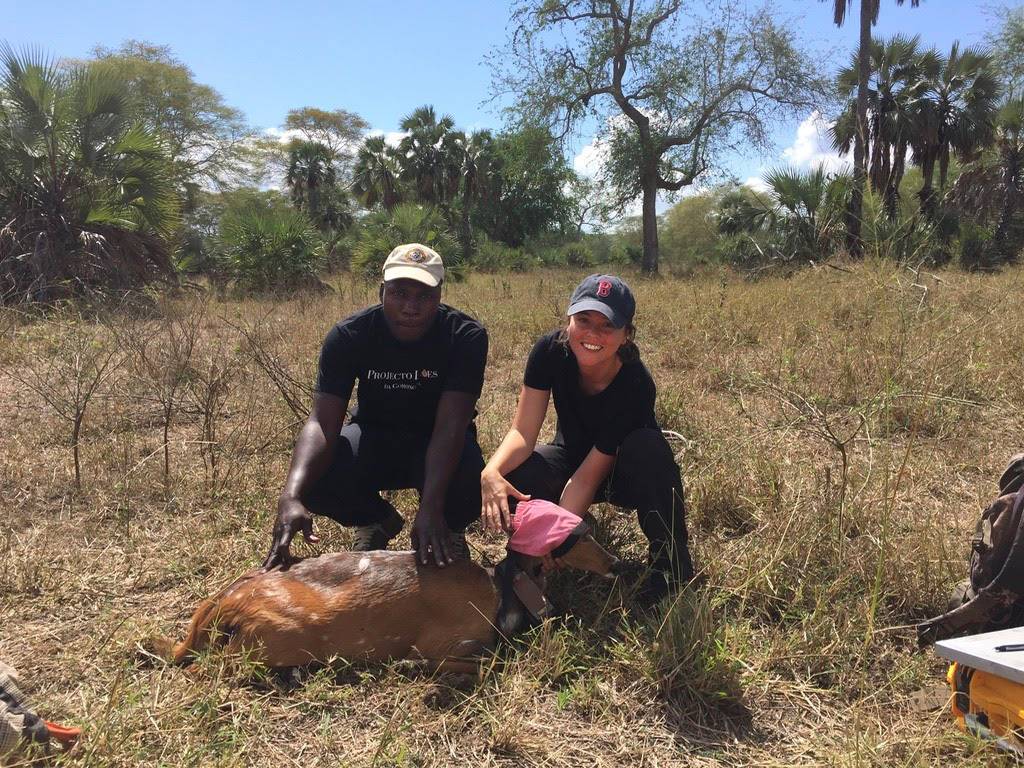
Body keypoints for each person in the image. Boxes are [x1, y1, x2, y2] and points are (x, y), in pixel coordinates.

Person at [263, 243, 488, 570]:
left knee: (470, 479)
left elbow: (451, 425)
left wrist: (431, 508)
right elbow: (322, 423)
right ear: (382, 291)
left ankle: (448, 529)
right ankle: (376, 520)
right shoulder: (349, 335)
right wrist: (291, 495)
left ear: (440, 296)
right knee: (316, 476)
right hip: (375, 436)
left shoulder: (465, 336)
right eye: (399, 293)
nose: (411, 307)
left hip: (438, 440)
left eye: (424, 296)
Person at [480, 274, 694, 603]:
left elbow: (588, 477)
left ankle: (670, 566)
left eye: (607, 325)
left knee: (648, 448)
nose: (593, 334)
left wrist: (558, 534)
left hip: (624, 472)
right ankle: (547, 544)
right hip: (570, 456)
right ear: (569, 320)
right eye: (583, 320)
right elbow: (522, 432)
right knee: (511, 477)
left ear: (626, 335)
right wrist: (490, 472)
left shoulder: (635, 382)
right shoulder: (549, 351)